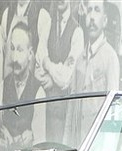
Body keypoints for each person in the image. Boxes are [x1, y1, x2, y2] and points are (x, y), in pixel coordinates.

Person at [65, 0, 119, 143]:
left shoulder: (110, 57)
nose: (92, 17)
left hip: (96, 146)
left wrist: (107, 148)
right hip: (77, 144)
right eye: (89, 10)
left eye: (97, 10)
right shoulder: (80, 60)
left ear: (105, 20)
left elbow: (114, 110)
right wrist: (66, 144)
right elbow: (71, 108)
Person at [35, 0, 82, 143]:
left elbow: (66, 77)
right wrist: (54, 70)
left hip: (62, 110)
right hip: (43, 108)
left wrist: (47, 64)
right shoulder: (48, 25)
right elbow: (37, 66)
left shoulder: (77, 32)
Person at [1, 22, 45, 148]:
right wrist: (1, 131)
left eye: (20, 50)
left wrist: (33, 136)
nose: (14, 58)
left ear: (30, 54)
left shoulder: (39, 92)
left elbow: (41, 142)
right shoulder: (2, 87)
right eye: (12, 48)